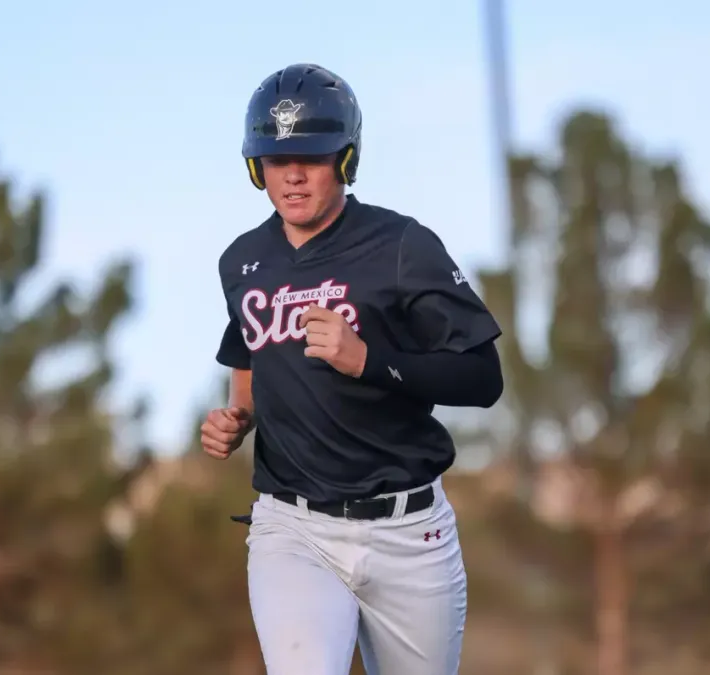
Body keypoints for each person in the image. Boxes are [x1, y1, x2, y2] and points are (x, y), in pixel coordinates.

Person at [199, 63, 504, 675]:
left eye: (310, 156)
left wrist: (371, 362)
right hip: (294, 529)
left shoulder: (400, 247)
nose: (292, 175)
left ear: (344, 159)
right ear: (255, 166)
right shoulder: (243, 262)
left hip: (408, 529)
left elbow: (483, 378)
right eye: (275, 158)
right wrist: (238, 419)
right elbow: (251, 362)